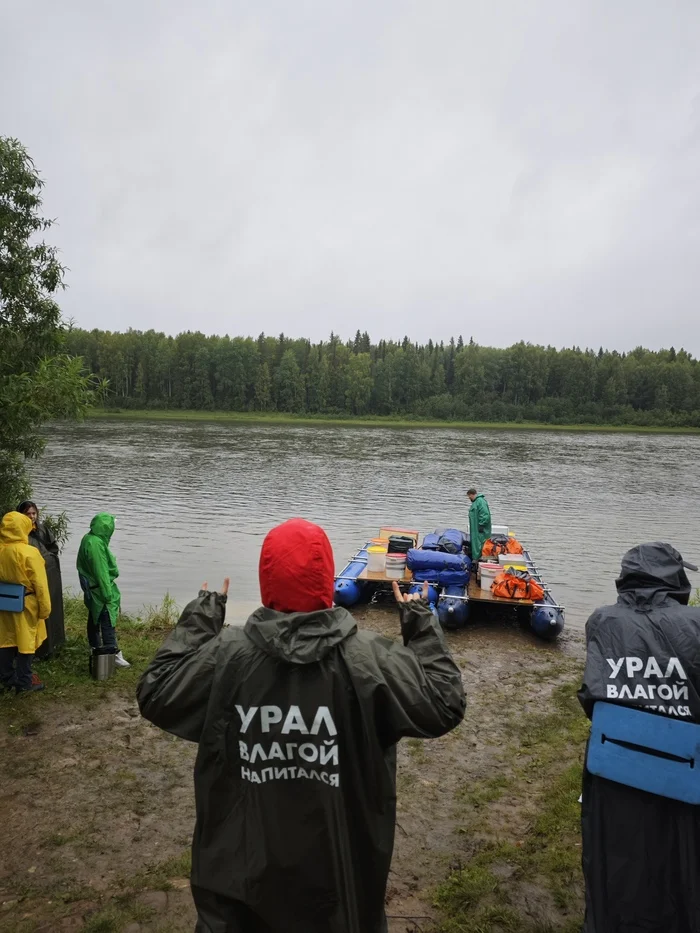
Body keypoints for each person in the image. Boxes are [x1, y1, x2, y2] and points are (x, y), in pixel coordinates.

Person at [137, 517, 466, 933]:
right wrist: (419, 622)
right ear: (326, 578)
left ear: (265, 578)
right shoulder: (373, 661)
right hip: (341, 902)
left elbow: (156, 691)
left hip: (238, 906)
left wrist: (201, 617)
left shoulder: (226, 656)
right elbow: (445, 700)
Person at [578, 542, 700, 933]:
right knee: (680, 872)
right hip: (682, 776)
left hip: (614, 772)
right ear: (674, 579)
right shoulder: (696, 625)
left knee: (614, 867)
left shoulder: (601, 621)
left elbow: (591, 698)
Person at [0, 511, 51, 694]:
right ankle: (24, 682)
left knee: (5, 639)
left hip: (3, 602)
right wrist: (45, 610)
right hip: (26, 602)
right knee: (25, 641)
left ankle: (6, 678)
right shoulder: (30, 553)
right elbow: (41, 585)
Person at [76, 513, 130, 669]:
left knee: (94, 618)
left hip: (92, 589)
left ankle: (95, 647)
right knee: (107, 620)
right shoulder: (96, 545)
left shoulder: (89, 538)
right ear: (106, 528)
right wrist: (107, 594)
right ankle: (113, 653)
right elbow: (101, 572)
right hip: (99, 590)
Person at [17, 501, 66, 659]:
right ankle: (36, 650)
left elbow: (53, 548)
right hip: (31, 579)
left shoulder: (43, 529)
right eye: (28, 514)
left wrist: (48, 560)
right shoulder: (18, 533)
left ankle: (54, 644)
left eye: (33, 513)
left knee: (51, 608)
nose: (31, 517)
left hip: (49, 575)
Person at [467, 487, 492, 561]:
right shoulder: (476, 502)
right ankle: (476, 559)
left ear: (471, 495)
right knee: (476, 544)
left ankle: (479, 559)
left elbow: (485, 514)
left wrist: (481, 524)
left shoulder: (480, 501)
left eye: (469, 497)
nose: (469, 499)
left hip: (480, 529)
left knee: (480, 544)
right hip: (475, 529)